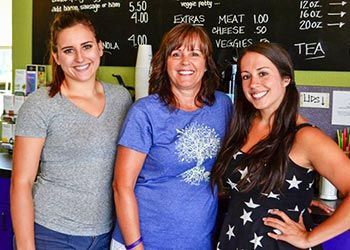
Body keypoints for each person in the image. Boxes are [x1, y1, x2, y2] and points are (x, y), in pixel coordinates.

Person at [11, 10, 132, 250]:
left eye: (86, 46)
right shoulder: (40, 104)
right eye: (68, 50)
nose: (79, 57)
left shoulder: (122, 98)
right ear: (56, 56)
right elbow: (21, 183)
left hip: (105, 234)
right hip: (51, 234)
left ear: (100, 48)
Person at [211, 42, 350, 249]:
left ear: (286, 79)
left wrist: (309, 239)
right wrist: (292, 196)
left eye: (263, 73)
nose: (253, 84)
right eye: (246, 76)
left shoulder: (305, 137)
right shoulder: (242, 127)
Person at [111, 23, 233, 250]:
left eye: (195, 53)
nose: (185, 62)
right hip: (143, 242)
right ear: (165, 62)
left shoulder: (223, 106)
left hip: (198, 242)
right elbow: (122, 186)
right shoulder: (145, 112)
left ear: (206, 63)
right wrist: (135, 246)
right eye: (176, 54)